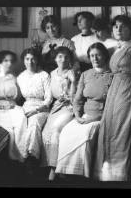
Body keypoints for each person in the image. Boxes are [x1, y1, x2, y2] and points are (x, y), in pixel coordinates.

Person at [94, 15, 131, 181]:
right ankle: (105, 173)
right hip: (115, 91)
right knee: (109, 127)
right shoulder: (119, 46)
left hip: (128, 91)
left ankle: (117, 176)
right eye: (115, 26)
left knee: (120, 130)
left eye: (122, 26)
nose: (118, 29)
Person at [54, 43, 113, 179]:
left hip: (100, 117)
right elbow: (78, 99)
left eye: (98, 55)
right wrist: (77, 116)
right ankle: (65, 173)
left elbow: (111, 104)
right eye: (92, 56)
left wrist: (95, 118)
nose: (95, 58)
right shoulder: (86, 74)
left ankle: (82, 176)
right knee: (66, 132)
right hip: (83, 116)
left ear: (104, 56)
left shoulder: (112, 76)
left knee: (84, 137)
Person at [40, 46, 77, 181]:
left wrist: (73, 81)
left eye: (66, 57)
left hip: (69, 107)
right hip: (56, 106)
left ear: (70, 59)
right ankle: (57, 165)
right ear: (55, 59)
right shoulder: (52, 74)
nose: (63, 59)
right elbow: (50, 94)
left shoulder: (72, 72)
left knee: (56, 130)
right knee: (45, 132)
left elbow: (75, 96)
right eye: (60, 56)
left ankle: (53, 169)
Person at [16, 48, 53, 173]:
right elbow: (17, 98)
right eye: (27, 59)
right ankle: (20, 156)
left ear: (37, 60)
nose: (30, 61)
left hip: (41, 107)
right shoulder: (20, 77)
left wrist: (36, 110)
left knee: (34, 122)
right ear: (24, 61)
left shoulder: (44, 75)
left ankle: (31, 158)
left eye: (33, 58)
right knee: (18, 123)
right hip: (26, 106)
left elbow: (49, 99)